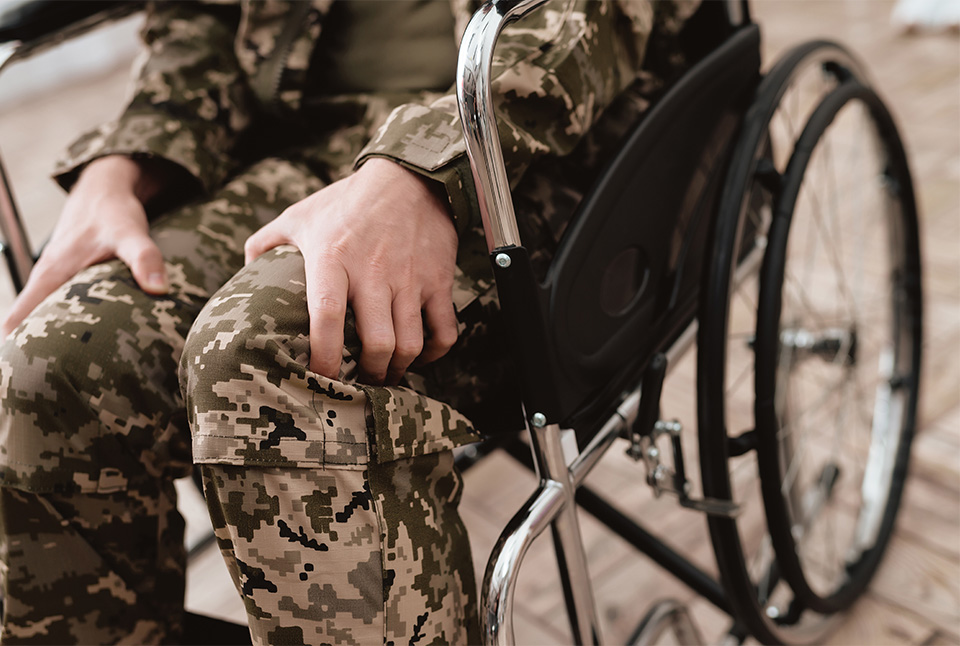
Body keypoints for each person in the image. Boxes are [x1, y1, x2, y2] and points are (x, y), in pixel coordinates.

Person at [0, 0, 698, 643]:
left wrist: (425, 166)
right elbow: (203, 18)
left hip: (540, 155)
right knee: (53, 367)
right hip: (307, 144)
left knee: (274, 354)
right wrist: (122, 164)